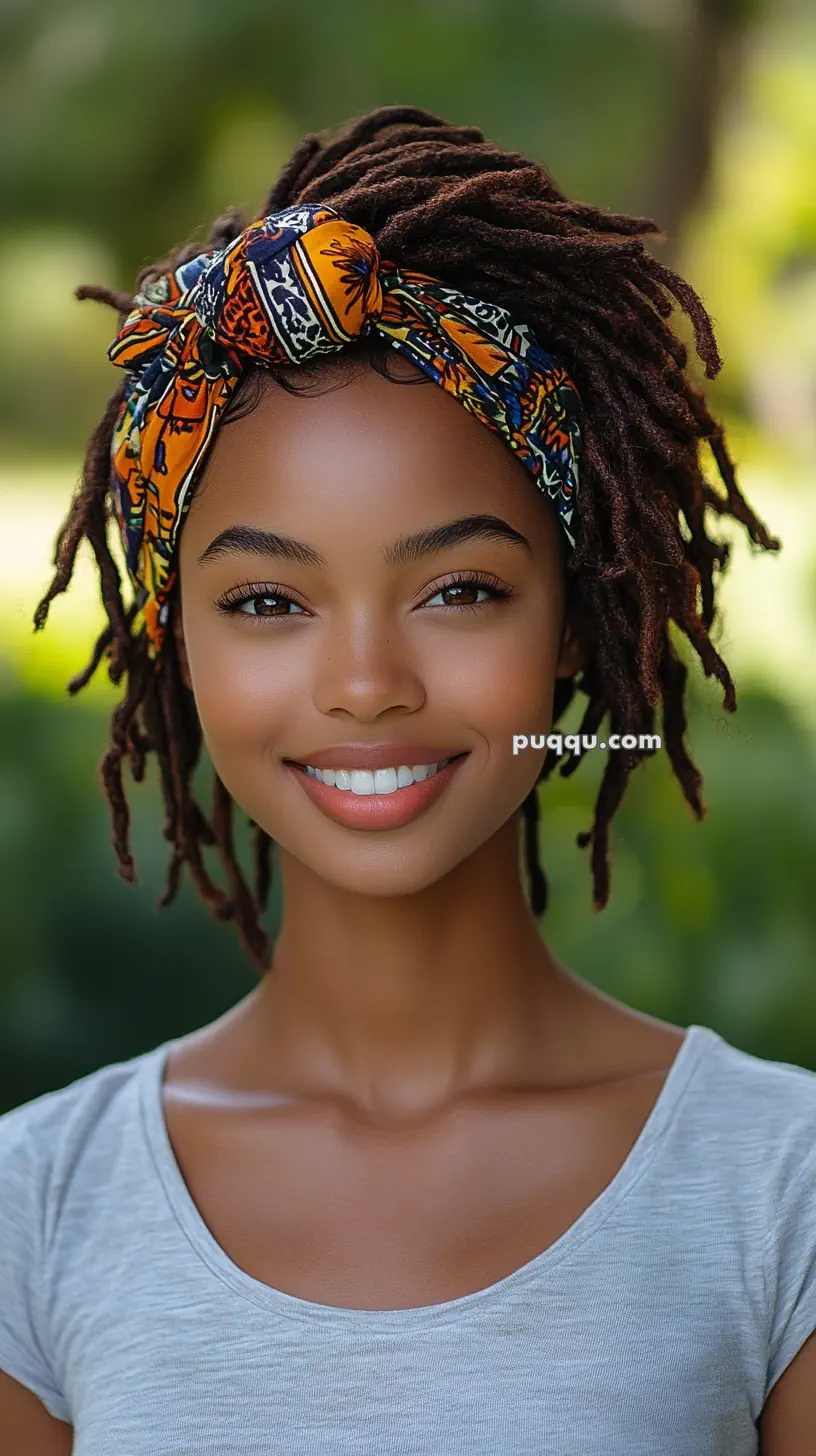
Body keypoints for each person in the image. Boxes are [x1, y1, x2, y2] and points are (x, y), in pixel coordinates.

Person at [0, 104, 814, 1455]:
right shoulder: (36, 1210)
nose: (366, 680)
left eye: (458, 589)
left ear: (576, 616)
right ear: (176, 640)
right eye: (268, 602)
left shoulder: (776, 1191)